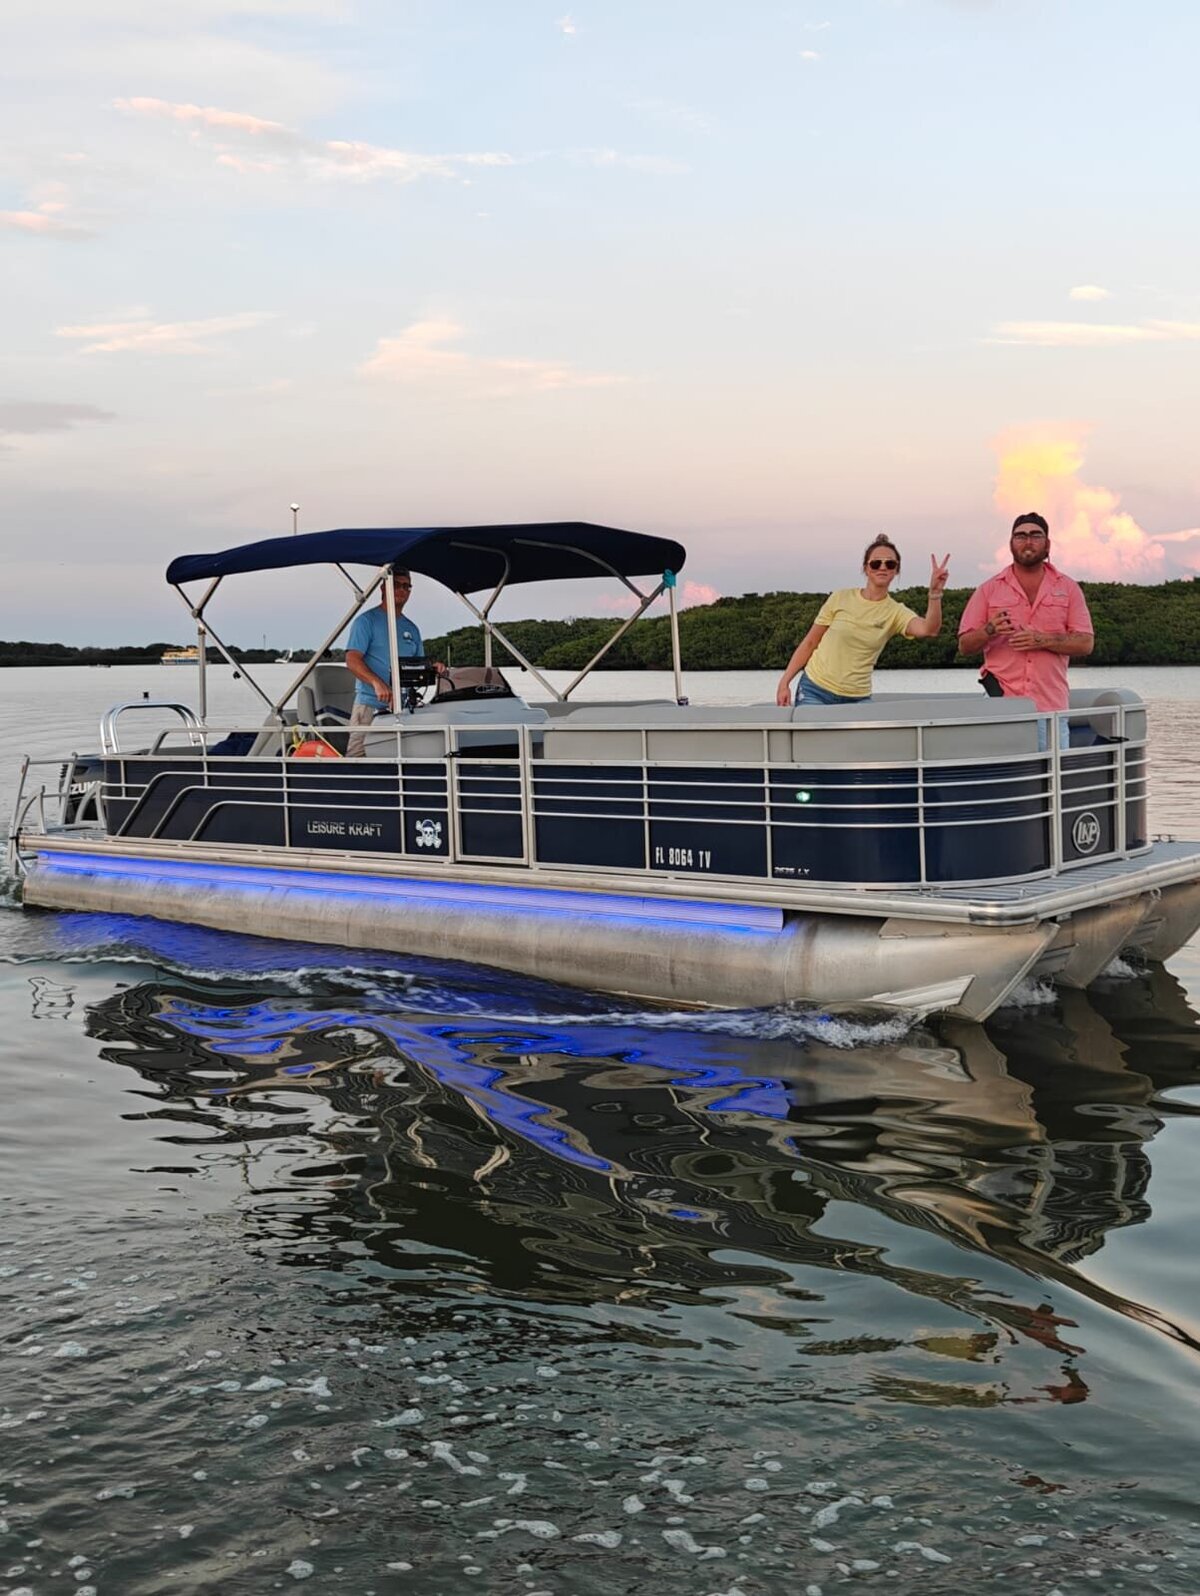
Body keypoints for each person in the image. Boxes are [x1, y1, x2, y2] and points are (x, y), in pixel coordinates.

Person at [957, 512, 1093, 748]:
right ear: (1011, 544)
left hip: (1052, 708)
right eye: (1020, 536)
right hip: (1002, 707)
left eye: (1035, 535)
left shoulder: (1069, 588)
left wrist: (1040, 640)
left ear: (1047, 544)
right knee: (1004, 778)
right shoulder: (988, 589)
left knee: (1052, 780)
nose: (1028, 541)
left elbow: (1085, 643)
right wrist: (989, 630)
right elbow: (964, 646)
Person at [775, 537, 949, 707]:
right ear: (866, 568)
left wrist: (934, 593)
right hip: (815, 690)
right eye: (875, 563)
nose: (882, 567)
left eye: (890, 564)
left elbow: (929, 629)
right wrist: (785, 682)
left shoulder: (895, 611)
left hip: (857, 698)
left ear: (896, 570)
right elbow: (810, 642)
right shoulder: (840, 598)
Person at [345, 570, 442, 756]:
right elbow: (352, 659)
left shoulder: (411, 628)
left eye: (406, 586)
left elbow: (417, 665)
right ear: (383, 587)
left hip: (403, 708)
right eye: (396, 584)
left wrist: (433, 668)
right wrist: (377, 683)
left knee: (401, 757)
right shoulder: (366, 621)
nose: (402, 590)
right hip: (369, 705)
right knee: (357, 758)